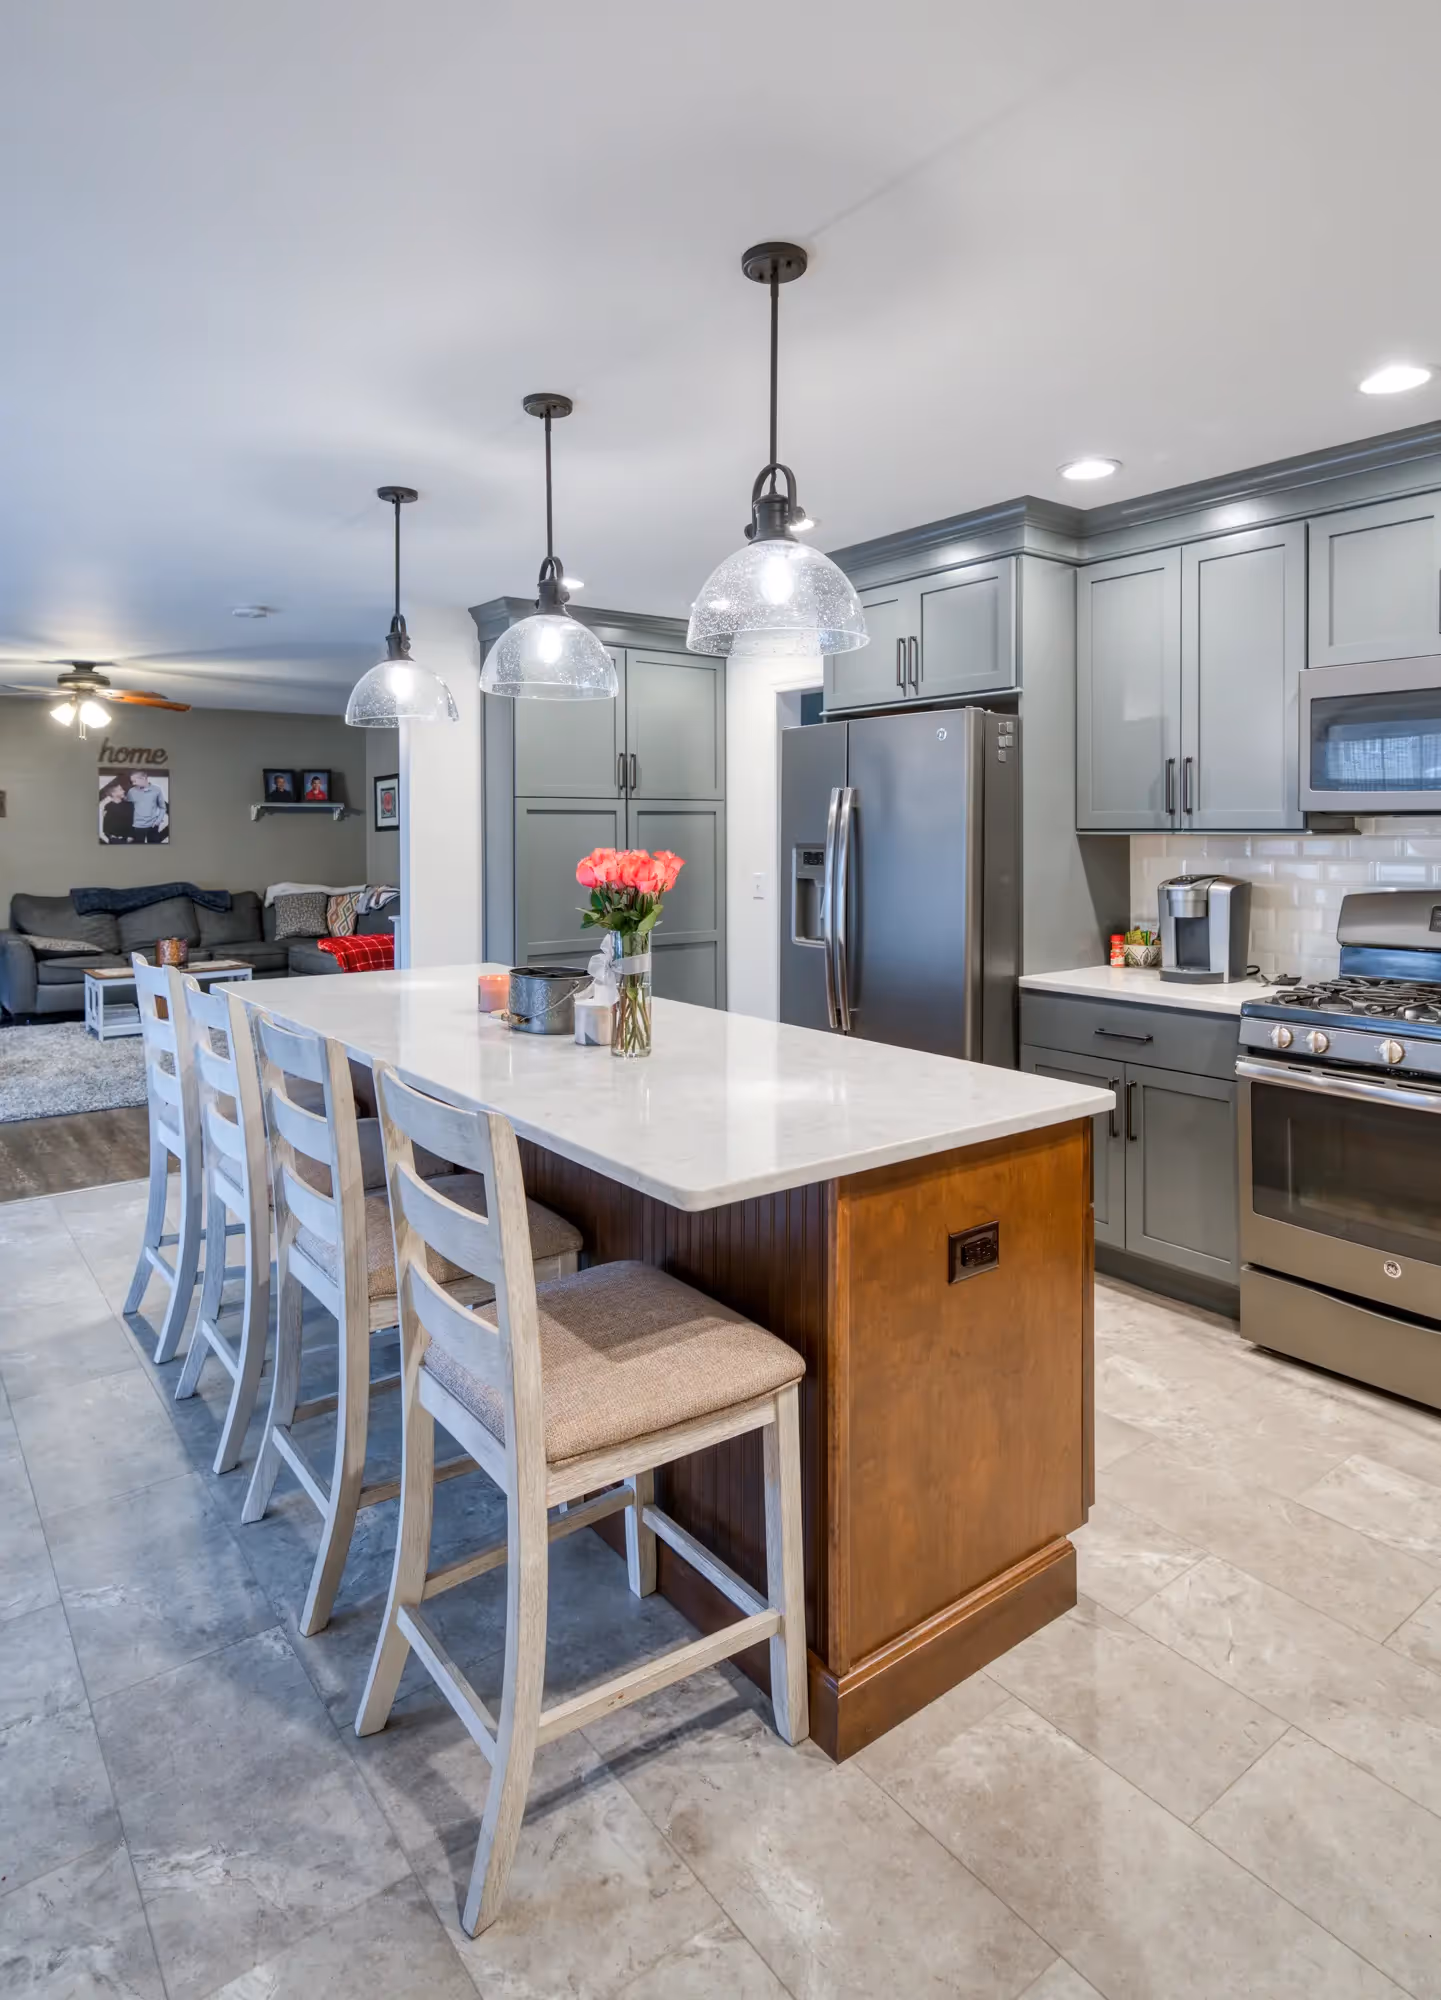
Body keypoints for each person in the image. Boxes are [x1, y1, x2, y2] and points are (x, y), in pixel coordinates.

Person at [126, 771, 169, 843]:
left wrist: (158, 821)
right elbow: (128, 809)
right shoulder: (131, 791)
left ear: (143, 778)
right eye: (132, 782)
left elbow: (162, 807)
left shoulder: (156, 790)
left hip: (153, 825)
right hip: (137, 826)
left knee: (154, 849)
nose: (133, 784)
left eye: (134, 781)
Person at [99, 777, 133, 843]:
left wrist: (131, 836)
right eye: (120, 790)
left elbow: (133, 821)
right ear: (113, 794)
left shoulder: (129, 805)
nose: (123, 791)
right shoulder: (108, 806)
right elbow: (106, 825)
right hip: (114, 840)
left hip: (128, 839)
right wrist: (110, 836)